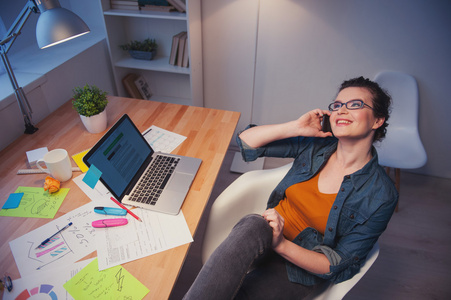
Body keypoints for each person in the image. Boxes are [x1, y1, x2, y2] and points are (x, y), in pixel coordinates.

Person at [184, 76, 399, 299]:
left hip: (301, 268)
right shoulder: (316, 146)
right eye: (337, 105)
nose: (342, 111)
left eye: (355, 104)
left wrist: (281, 245)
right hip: (265, 233)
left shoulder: (382, 195)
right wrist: (295, 127)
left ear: (377, 120)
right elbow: (247, 142)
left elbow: (337, 264)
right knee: (253, 224)